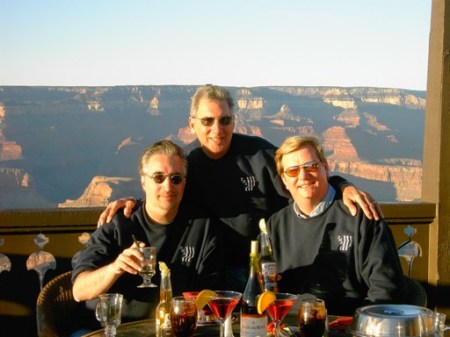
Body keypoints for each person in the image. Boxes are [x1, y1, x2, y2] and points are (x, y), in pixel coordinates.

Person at [97, 84, 381, 291]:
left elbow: (301, 174)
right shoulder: (188, 164)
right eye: (207, 121)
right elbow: (166, 190)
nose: (216, 129)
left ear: (234, 121)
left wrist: (341, 185)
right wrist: (134, 201)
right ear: (192, 124)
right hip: (210, 271)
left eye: (225, 120)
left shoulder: (258, 155)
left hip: (270, 268)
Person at [71, 140, 223, 333]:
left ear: (185, 182)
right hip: (103, 330)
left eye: (176, 178)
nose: (168, 187)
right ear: (143, 181)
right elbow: (79, 291)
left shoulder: (202, 228)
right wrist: (115, 268)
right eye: (158, 178)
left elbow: (208, 296)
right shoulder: (118, 224)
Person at [267, 135, 404, 315]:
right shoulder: (276, 225)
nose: (303, 176)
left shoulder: (361, 216)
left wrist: (356, 326)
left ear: (326, 167)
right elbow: (269, 290)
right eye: (293, 171)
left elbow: (387, 289)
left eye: (311, 166)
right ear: (284, 179)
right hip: (291, 326)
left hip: (348, 325)